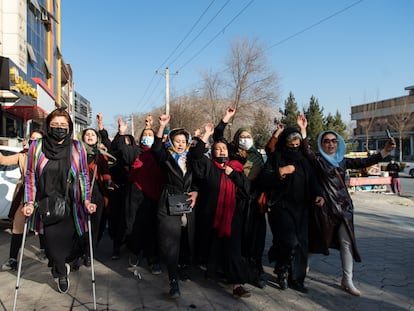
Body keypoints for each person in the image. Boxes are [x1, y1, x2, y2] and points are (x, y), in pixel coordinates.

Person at [298, 114, 396, 296]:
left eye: (334, 141)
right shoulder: (318, 161)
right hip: (325, 211)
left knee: (346, 244)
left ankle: (347, 280)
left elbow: (364, 162)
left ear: (338, 142)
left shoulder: (343, 161)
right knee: (316, 243)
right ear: (322, 143)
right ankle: (301, 271)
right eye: (326, 141)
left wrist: (385, 152)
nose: (330, 144)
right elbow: (307, 152)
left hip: (344, 209)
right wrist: (303, 130)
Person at [23, 108, 96, 294]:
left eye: (63, 125)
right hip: (46, 204)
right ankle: (60, 269)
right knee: (51, 248)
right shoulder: (37, 146)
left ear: (69, 127)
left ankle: (63, 268)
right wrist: (29, 202)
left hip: (71, 205)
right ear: (48, 126)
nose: (59, 128)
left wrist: (87, 200)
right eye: (55, 125)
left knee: (68, 245)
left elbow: (82, 175)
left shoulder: (76, 147)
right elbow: (30, 174)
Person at [190, 123, 255, 298]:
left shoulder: (235, 168)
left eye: (223, 149)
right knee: (213, 247)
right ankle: (213, 272)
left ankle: (237, 285)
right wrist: (205, 135)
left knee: (233, 249)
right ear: (212, 152)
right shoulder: (208, 166)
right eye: (217, 149)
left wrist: (232, 174)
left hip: (232, 217)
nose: (221, 151)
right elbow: (195, 156)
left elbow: (246, 189)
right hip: (211, 216)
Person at [259, 126, 325, 293]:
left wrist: (319, 194)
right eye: (291, 144)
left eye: (297, 144)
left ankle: (297, 279)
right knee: (290, 242)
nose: (294, 147)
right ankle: (282, 269)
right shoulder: (276, 157)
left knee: (302, 245)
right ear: (285, 143)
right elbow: (264, 179)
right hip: (281, 207)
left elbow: (313, 181)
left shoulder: (304, 160)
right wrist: (280, 172)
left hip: (302, 208)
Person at [212, 107, 266, 285]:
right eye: (242, 137)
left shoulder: (258, 157)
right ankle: (235, 272)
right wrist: (225, 118)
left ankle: (254, 273)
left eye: (248, 137)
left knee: (255, 241)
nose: (245, 140)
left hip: (254, 203)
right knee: (237, 239)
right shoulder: (233, 152)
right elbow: (218, 136)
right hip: (237, 202)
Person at [151, 114, 198, 299]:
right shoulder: (167, 158)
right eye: (177, 141)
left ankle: (182, 267)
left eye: (183, 141)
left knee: (187, 239)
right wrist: (161, 126)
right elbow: (156, 148)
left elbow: (199, 180)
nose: (180, 144)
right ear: (171, 142)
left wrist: (196, 191)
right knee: (171, 242)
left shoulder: (191, 159)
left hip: (187, 202)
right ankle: (173, 281)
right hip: (168, 202)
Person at [69, 127, 114, 269]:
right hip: (79, 191)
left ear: (97, 138)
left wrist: (108, 182)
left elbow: (106, 173)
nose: (90, 136)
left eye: (92, 134)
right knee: (79, 225)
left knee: (95, 226)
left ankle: (89, 253)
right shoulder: (76, 153)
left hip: (96, 193)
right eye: (87, 134)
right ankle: (77, 253)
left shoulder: (101, 155)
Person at [0, 129, 44, 271]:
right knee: (17, 227)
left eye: (37, 140)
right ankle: (12, 259)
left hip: (42, 195)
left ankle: (44, 249)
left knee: (42, 224)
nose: (34, 142)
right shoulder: (23, 155)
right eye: (31, 139)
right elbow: (4, 160)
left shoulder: (47, 156)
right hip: (23, 195)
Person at [125, 126, 163, 274]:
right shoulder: (136, 151)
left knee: (152, 228)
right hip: (135, 193)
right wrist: (122, 133)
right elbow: (123, 151)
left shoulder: (158, 154)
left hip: (153, 194)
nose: (147, 137)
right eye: (145, 134)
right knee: (133, 225)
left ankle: (153, 259)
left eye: (150, 135)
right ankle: (134, 251)